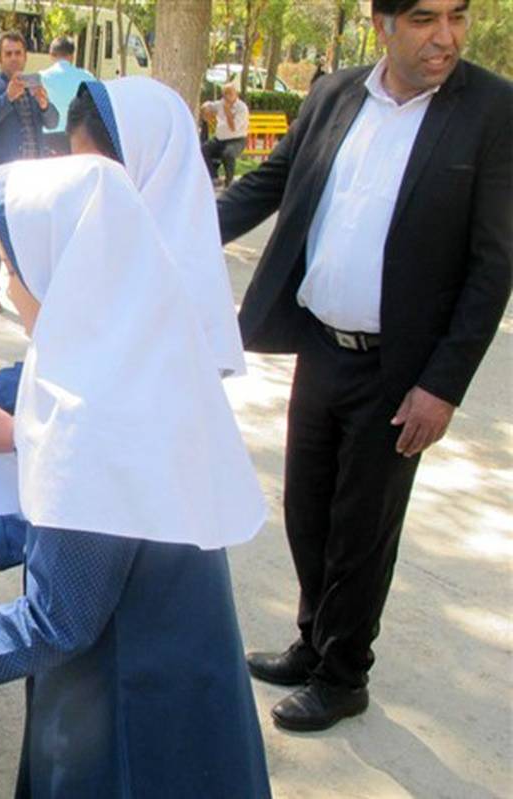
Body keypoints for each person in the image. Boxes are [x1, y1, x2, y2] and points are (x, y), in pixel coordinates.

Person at [0, 155, 271, 798]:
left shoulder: (89, 412)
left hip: (125, 686)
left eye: (15, 273)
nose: (11, 290)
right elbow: (119, 517)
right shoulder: (140, 353)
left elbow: (57, 622)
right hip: (179, 647)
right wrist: (6, 535)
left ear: (64, 277)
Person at [217, 0, 511, 731]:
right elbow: (266, 185)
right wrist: (170, 220)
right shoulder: (334, 93)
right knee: (308, 509)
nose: (445, 37)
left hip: (400, 368)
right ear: (382, 23)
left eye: (457, 16)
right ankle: (314, 641)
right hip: (322, 346)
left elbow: (493, 264)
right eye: (423, 19)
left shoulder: (493, 110)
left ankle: (346, 674)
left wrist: (441, 386)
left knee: (363, 527)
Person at [0, 77, 248, 407]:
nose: (94, 190)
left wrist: (17, 431)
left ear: (149, 164)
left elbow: (121, 410)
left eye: (107, 175)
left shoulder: (183, 289)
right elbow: (72, 355)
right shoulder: (115, 243)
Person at [0, 30, 58, 313]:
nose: (13, 58)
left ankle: (26, 289)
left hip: (33, 173)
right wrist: (8, 98)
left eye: (18, 53)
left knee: (29, 230)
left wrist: (45, 104)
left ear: (25, 56)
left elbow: (53, 120)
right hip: (1, 175)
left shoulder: (35, 87)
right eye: (8, 53)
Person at [38, 36, 94, 155]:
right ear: (72, 56)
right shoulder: (87, 77)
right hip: (77, 138)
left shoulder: (40, 77)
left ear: (51, 55)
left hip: (48, 138)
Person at [201, 82, 250, 187]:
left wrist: (227, 111)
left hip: (237, 139)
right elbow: (208, 105)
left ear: (236, 94)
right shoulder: (220, 104)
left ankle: (229, 180)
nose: (227, 97)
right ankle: (214, 177)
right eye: (225, 94)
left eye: (230, 94)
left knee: (228, 153)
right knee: (204, 149)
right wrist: (205, 108)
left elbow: (233, 128)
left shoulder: (242, 108)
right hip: (220, 139)